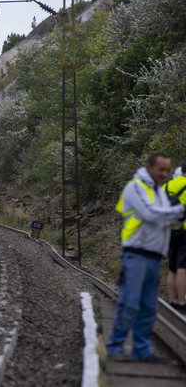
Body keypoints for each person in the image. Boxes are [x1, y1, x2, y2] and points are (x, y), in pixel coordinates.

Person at [107, 152, 186, 363]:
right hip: (135, 255)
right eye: (161, 169)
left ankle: (141, 351)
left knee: (149, 307)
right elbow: (151, 214)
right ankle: (115, 347)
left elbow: (166, 217)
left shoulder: (159, 191)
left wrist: (175, 217)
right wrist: (180, 210)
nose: (164, 174)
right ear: (150, 167)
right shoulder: (136, 187)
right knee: (129, 303)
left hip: (154, 257)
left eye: (167, 170)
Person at [165, 158, 186, 313]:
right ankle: (181, 302)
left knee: (172, 267)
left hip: (170, 230)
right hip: (185, 231)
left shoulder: (167, 186)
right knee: (182, 267)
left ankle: (172, 300)